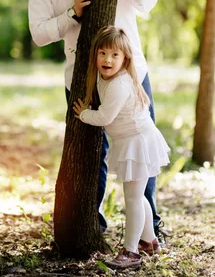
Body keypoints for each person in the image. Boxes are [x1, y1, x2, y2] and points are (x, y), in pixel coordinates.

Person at [28, 0, 169, 248]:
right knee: (93, 156)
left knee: (139, 146)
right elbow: (38, 33)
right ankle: (93, 226)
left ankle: (149, 231)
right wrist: (72, 13)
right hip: (83, 77)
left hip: (131, 73)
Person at [73, 26, 170, 269]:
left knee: (134, 198)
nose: (108, 59)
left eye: (115, 55)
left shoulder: (119, 84)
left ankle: (131, 252)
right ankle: (149, 242)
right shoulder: (105, 76)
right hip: (132, 141)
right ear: (95, 55)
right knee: (138, 196)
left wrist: (84, 114)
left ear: (125, 58)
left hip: (137, 142)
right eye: (103, 53)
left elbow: (104, 117)